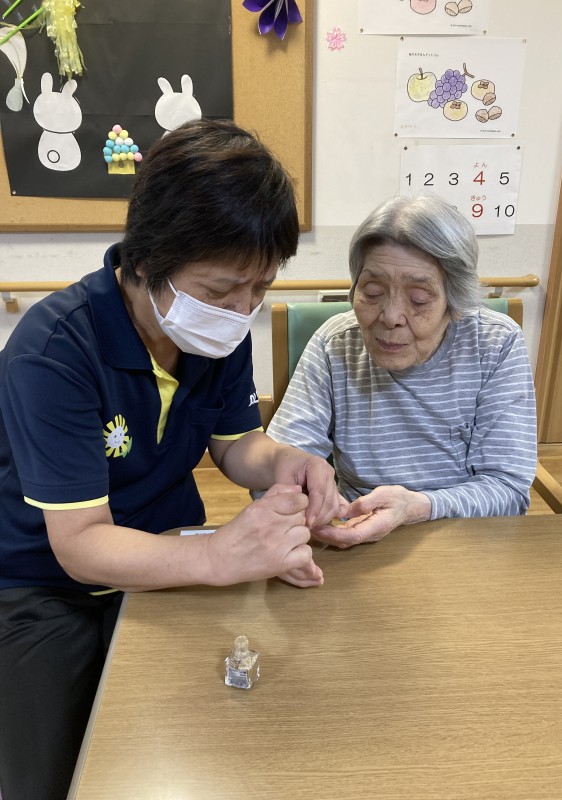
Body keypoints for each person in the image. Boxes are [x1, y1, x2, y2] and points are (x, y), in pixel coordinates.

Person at [0, 118, 346, 800]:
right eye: (221, 292)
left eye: (260, 288)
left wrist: (287, 462)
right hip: (43, 584)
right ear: (147, 259)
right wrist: (219, 556)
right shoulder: (53, 351)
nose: (241, 310)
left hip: (169, 549)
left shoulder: (216, 332)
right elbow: (81, 545)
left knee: (221, 736)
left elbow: (235, 444)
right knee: (45, 778)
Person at [264, 194, 537, 548]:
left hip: (465, 536)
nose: (391, 316)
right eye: (372, 292)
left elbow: (509, 489)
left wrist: (418, 507)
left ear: (455, 303)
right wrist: (310, 506)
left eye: (419, 299)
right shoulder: (335, 345)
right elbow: (281, 465)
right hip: (360, 537)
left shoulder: (495, 345)